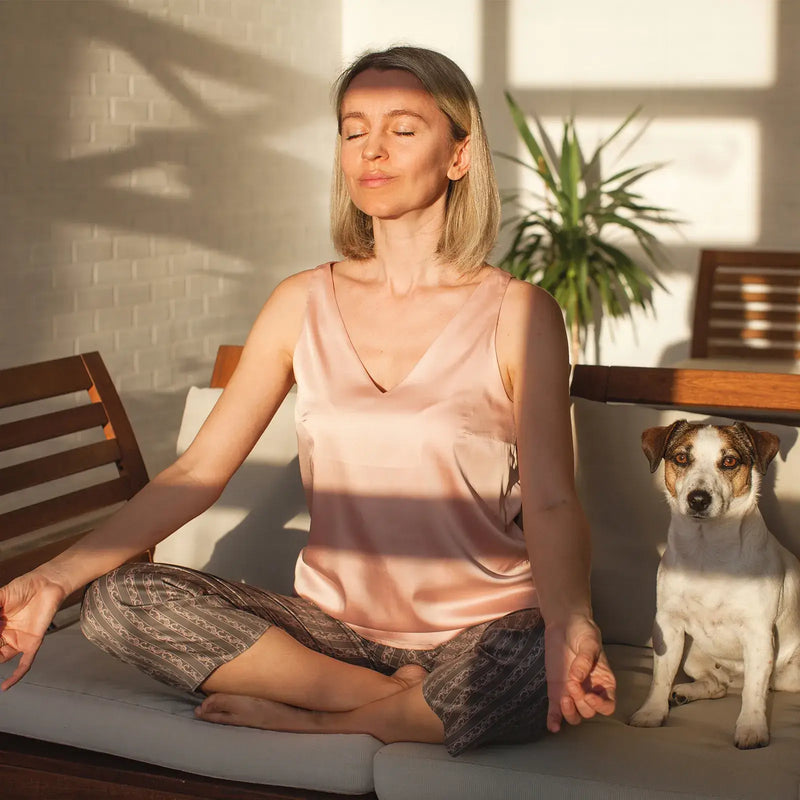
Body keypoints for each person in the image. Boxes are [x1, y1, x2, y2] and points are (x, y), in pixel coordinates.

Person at [0, 46, 615, 756]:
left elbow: (551, 502)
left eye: (402, 129)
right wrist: (54, 576)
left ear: (459, 153)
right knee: (118, 601)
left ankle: (323, 718)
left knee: (530, 663)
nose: (372, 150)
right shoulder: (300, 302)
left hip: (477, 636)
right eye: (354, 130)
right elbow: (197, 473)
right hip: (329, 638)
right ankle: (386, 706)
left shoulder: (521, 313)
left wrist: (573, 621)